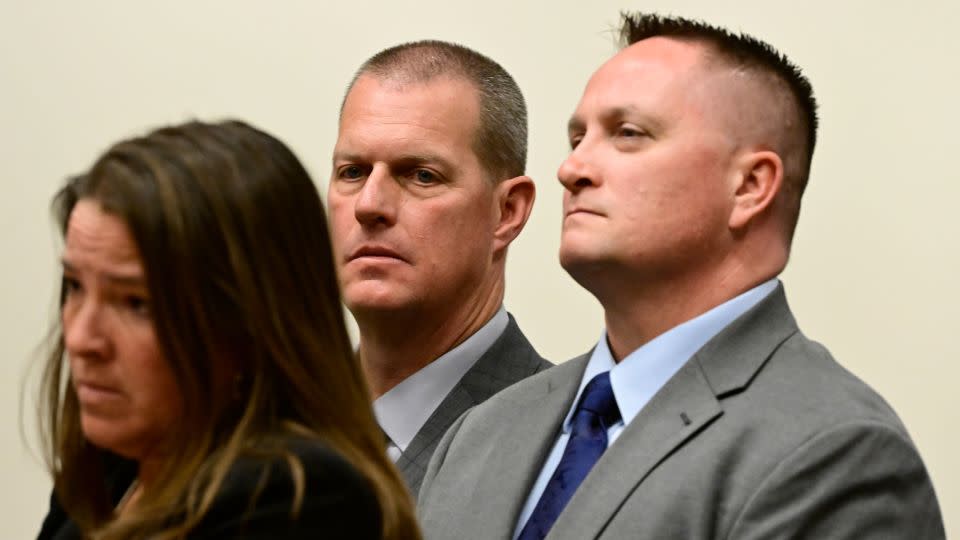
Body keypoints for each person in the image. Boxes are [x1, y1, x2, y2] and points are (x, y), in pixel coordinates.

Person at [418, 13, 945, 539]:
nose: (571, 168)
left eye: (627, 134)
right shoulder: (479, 433)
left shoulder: (835, 450)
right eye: (578, 138)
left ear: (749, 187)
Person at [34, 120, 421, 539]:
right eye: (75, 286)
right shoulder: (114, 468)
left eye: (136, 304)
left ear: (248, 322)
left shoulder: (299, 497)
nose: (81, 339)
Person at [328, 40, 552, 494]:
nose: (369, 205)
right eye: (352, 172)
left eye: (421, 175)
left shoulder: (569, 441)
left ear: (507, 211)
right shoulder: (257, 433)